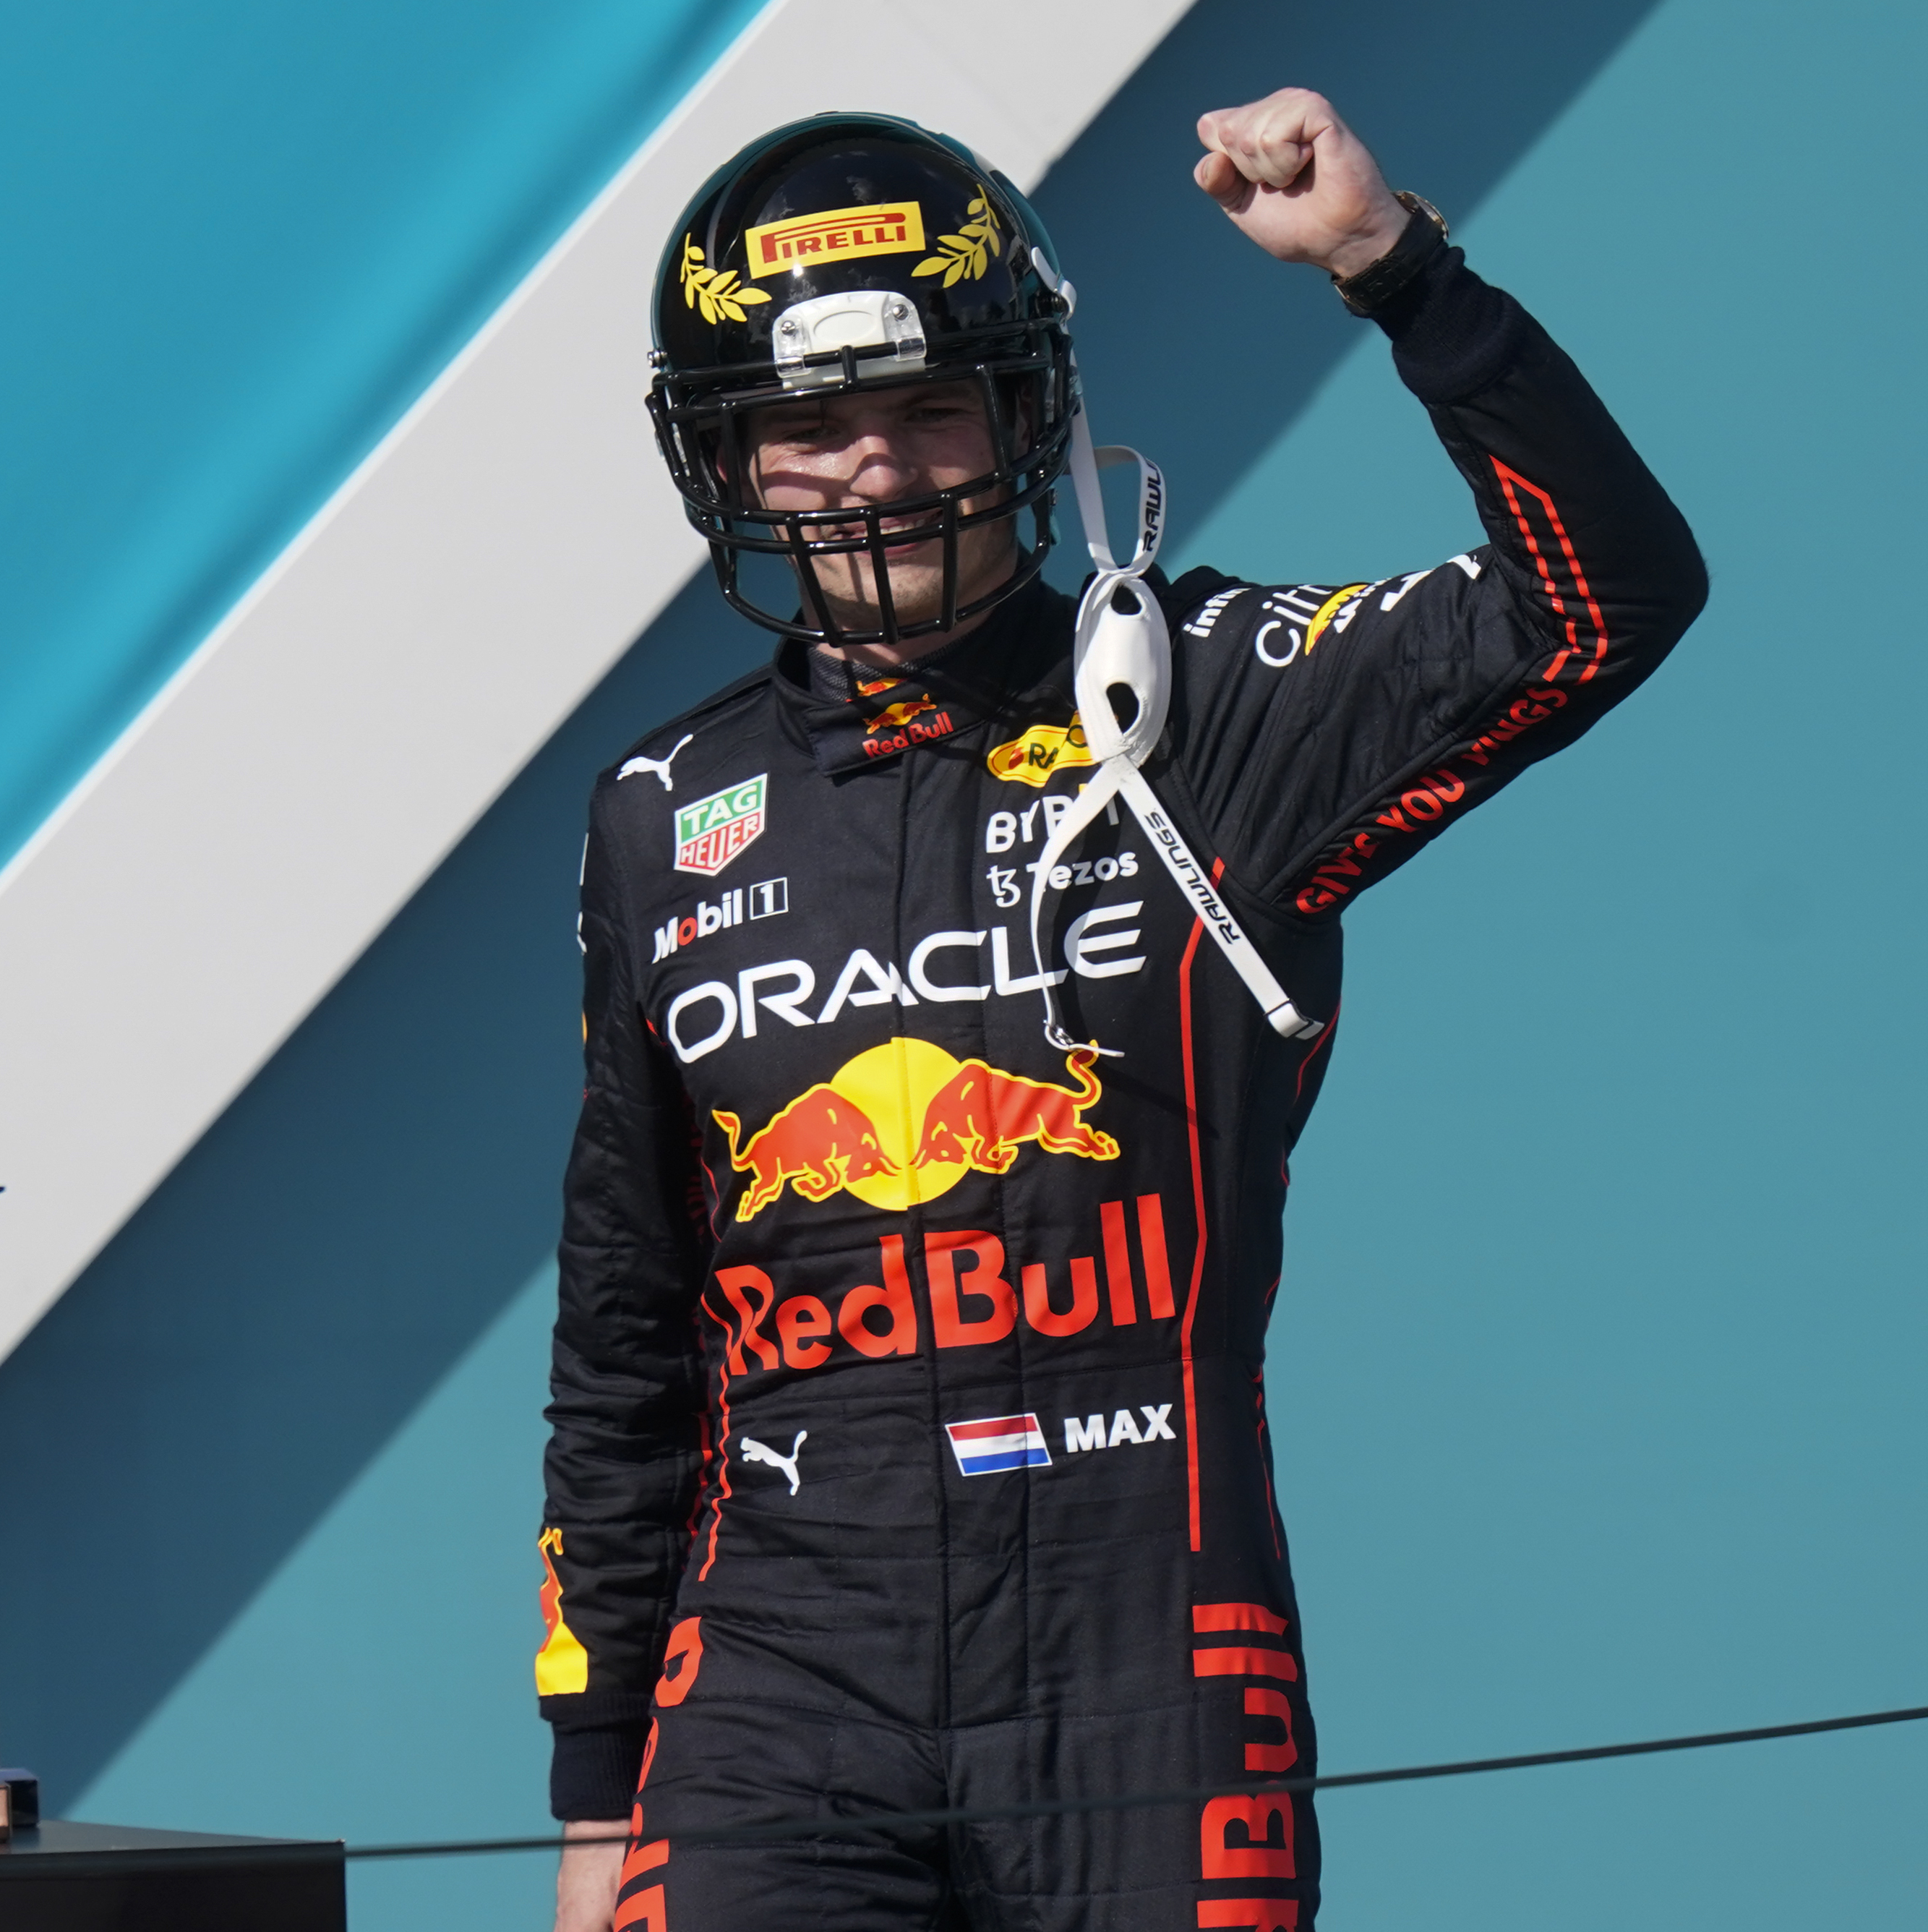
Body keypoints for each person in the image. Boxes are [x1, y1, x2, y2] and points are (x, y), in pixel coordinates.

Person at [539, 90, 1703, 1932]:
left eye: (930, 408)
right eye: (812, 426)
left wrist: (1397, 274)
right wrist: (597, 1786)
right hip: (778, 1669)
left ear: (1025, 413)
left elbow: (1608, 601)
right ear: (733, 464)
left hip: (1145, 1634)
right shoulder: (656, 813)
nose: (880, 471)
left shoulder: (1213, 704)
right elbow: (625, 1320)